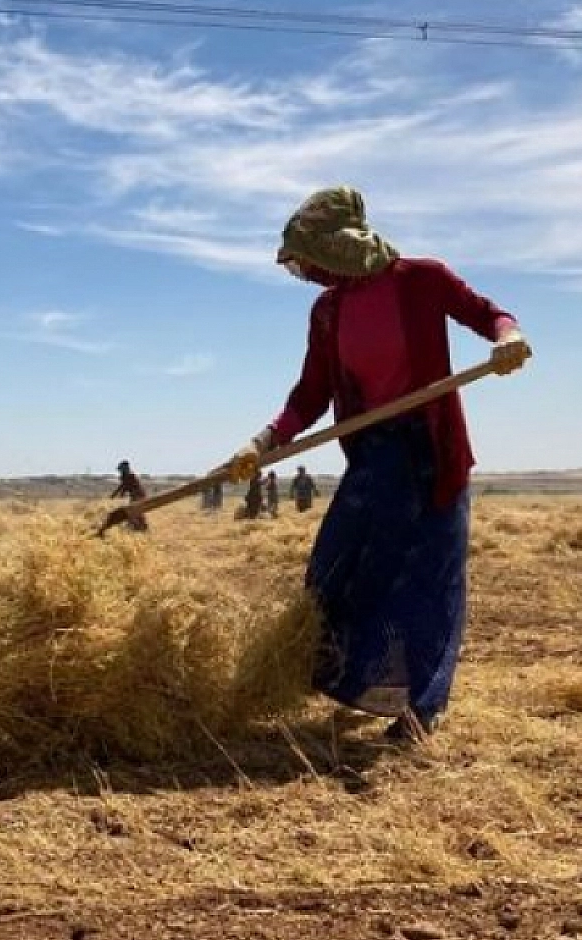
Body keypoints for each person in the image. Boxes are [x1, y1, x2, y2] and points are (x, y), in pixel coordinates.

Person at [225, 185, 531, 743]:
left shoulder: (421, 279)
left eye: (310, 254)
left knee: (426, 580)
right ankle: (352, 683)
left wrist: (508, 339)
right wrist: (263, 440)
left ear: (340, 242)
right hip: (373, 457)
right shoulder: (328, 311)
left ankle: (420, 708)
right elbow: (309, 395)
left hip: (430, 452)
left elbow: (489, 314)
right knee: (336, 569)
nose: (308, 270)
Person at [109, 460, 150, 532]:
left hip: (138, 495)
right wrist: (115, 494)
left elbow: (125, 486)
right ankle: (139, 527)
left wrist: (120, 493)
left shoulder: (130, 475)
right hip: (135, 495)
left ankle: (139, 527)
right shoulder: (126, 476)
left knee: (134, 512)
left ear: (124, 469)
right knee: (135, 512)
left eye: (121, 469)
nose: (120, 471)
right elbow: (122, 486)